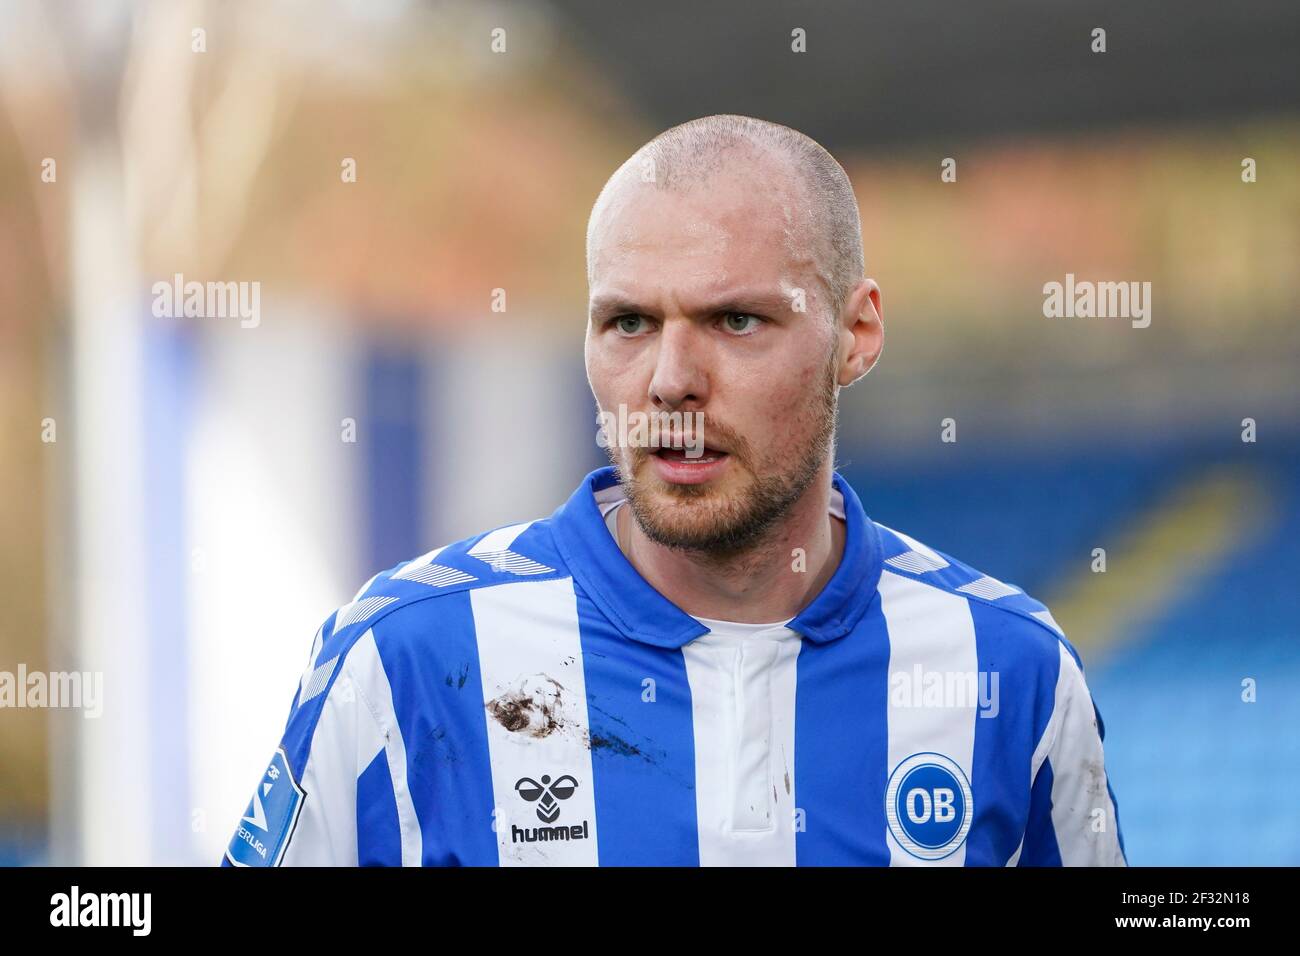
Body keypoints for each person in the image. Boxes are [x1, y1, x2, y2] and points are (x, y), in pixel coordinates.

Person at [223, 114, 1126, 866]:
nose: (669, 380)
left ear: (856, 333)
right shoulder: (404, 658)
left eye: (736, 320)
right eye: (628, 322)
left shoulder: (1012, 670)